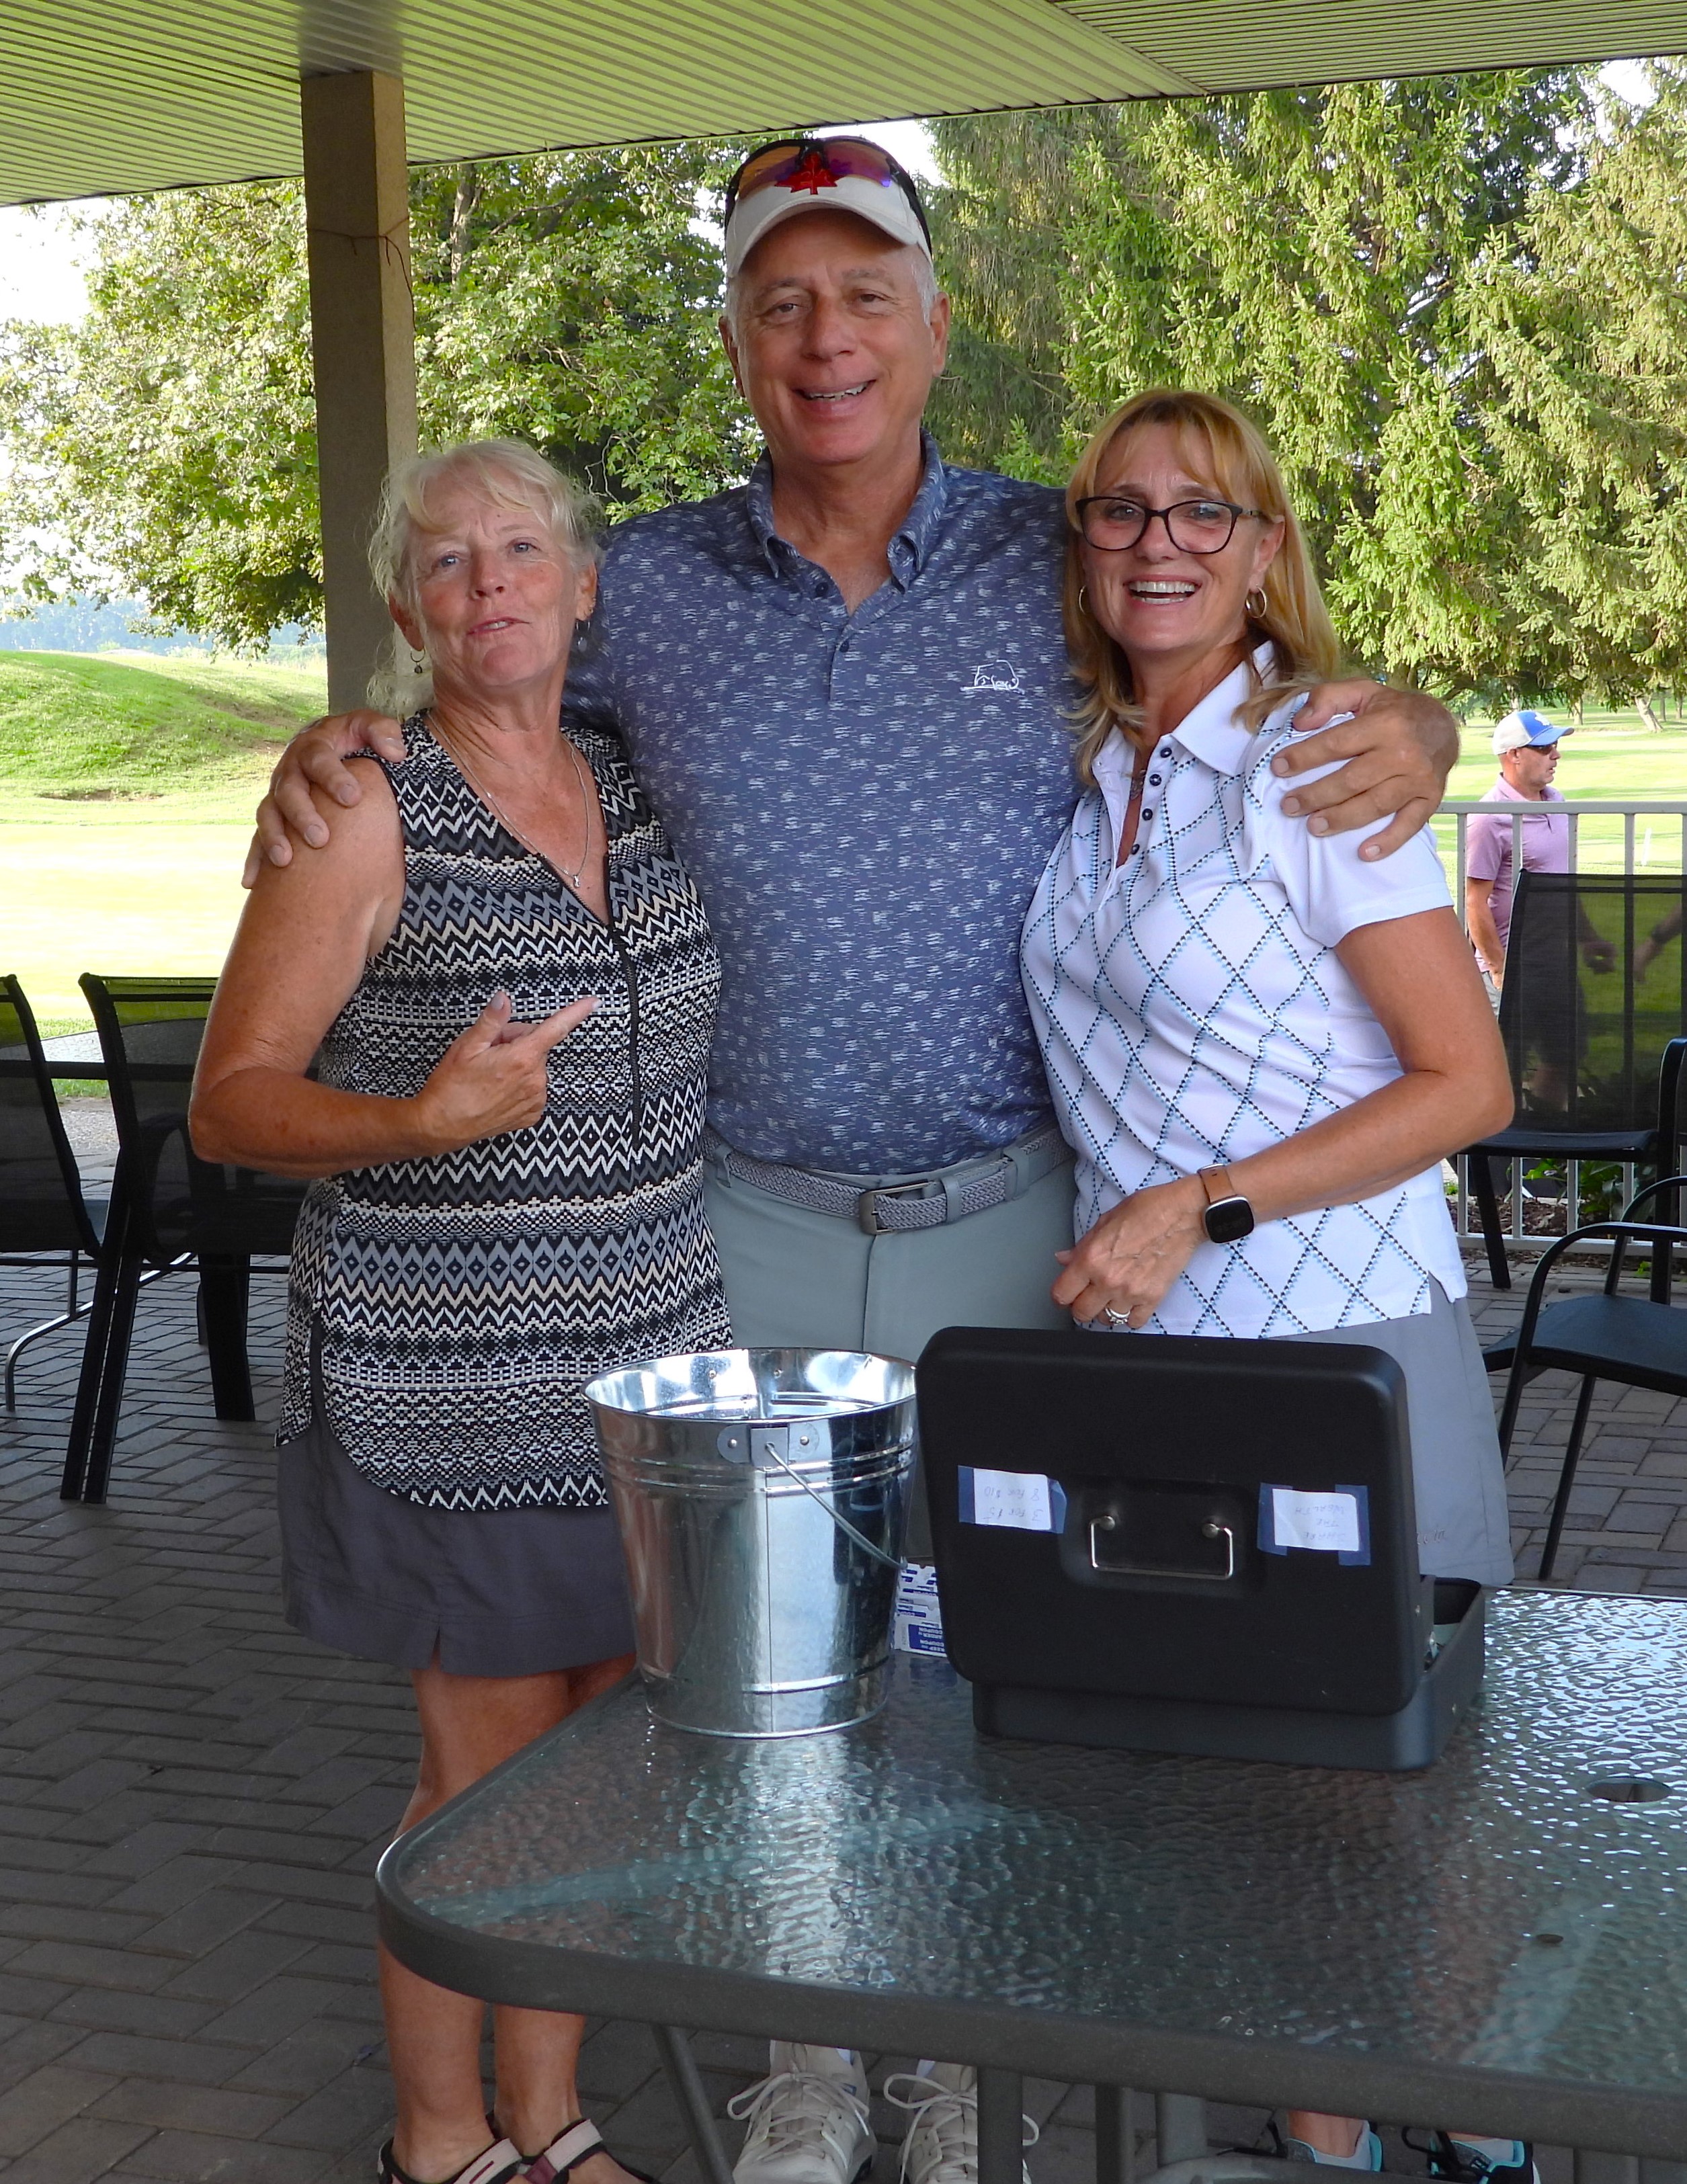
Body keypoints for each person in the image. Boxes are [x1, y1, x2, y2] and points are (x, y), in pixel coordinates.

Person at [249, 138, 1465, 2184]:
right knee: (760, 1683)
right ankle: (801, 2052)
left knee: (989, 1666)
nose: (826, 339)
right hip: (745, 1232)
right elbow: (478, 684)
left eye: (864, 295)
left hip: (1012, 1220)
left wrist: (1411, 714)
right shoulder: (644, 585)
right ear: (735, 338)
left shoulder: (1046, 549)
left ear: (932, 324)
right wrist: (337, 734)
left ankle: (954, 2052)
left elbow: (1237, 638)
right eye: (781, 301)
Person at [190, 439, 729, 2184]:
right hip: (451, 1386)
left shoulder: (634, 781)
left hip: (648, 1384)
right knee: (482, 1784)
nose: (487, 581)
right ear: (406, 608)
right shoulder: (366, 805)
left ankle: (546, 2117)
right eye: (444, 558)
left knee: (600, 1767)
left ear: (582, 584)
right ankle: (439, 2141)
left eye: (520, 549)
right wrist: (419, 1120)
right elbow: (230, 1103)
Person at [1021, 387, 1529, 2184]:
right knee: (1250, 1782)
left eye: (1202, 512)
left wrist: (1194, 1204)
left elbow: (1465, 1086)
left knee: (1385, 1788)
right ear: (1082, 547)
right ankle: (1326, 2140)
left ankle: (1474, 2136)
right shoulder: (1096, 778)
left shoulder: (1323, 762)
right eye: (1119, 508)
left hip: (1339, 1346)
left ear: (1260, 555)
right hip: (1163, 1366)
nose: (1156, 540)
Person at [1465, 709, 1614, 999]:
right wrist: (1499, 969)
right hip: (1513, 968)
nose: (1556, 756)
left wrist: (1589, 939)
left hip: (1557, 963)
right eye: (1545, 748)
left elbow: (1563, 883)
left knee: (1572, 1032)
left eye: (1555, 746)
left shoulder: (1558, 802)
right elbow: (1475, 901)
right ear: (1514, 754)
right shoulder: (1489, 818)